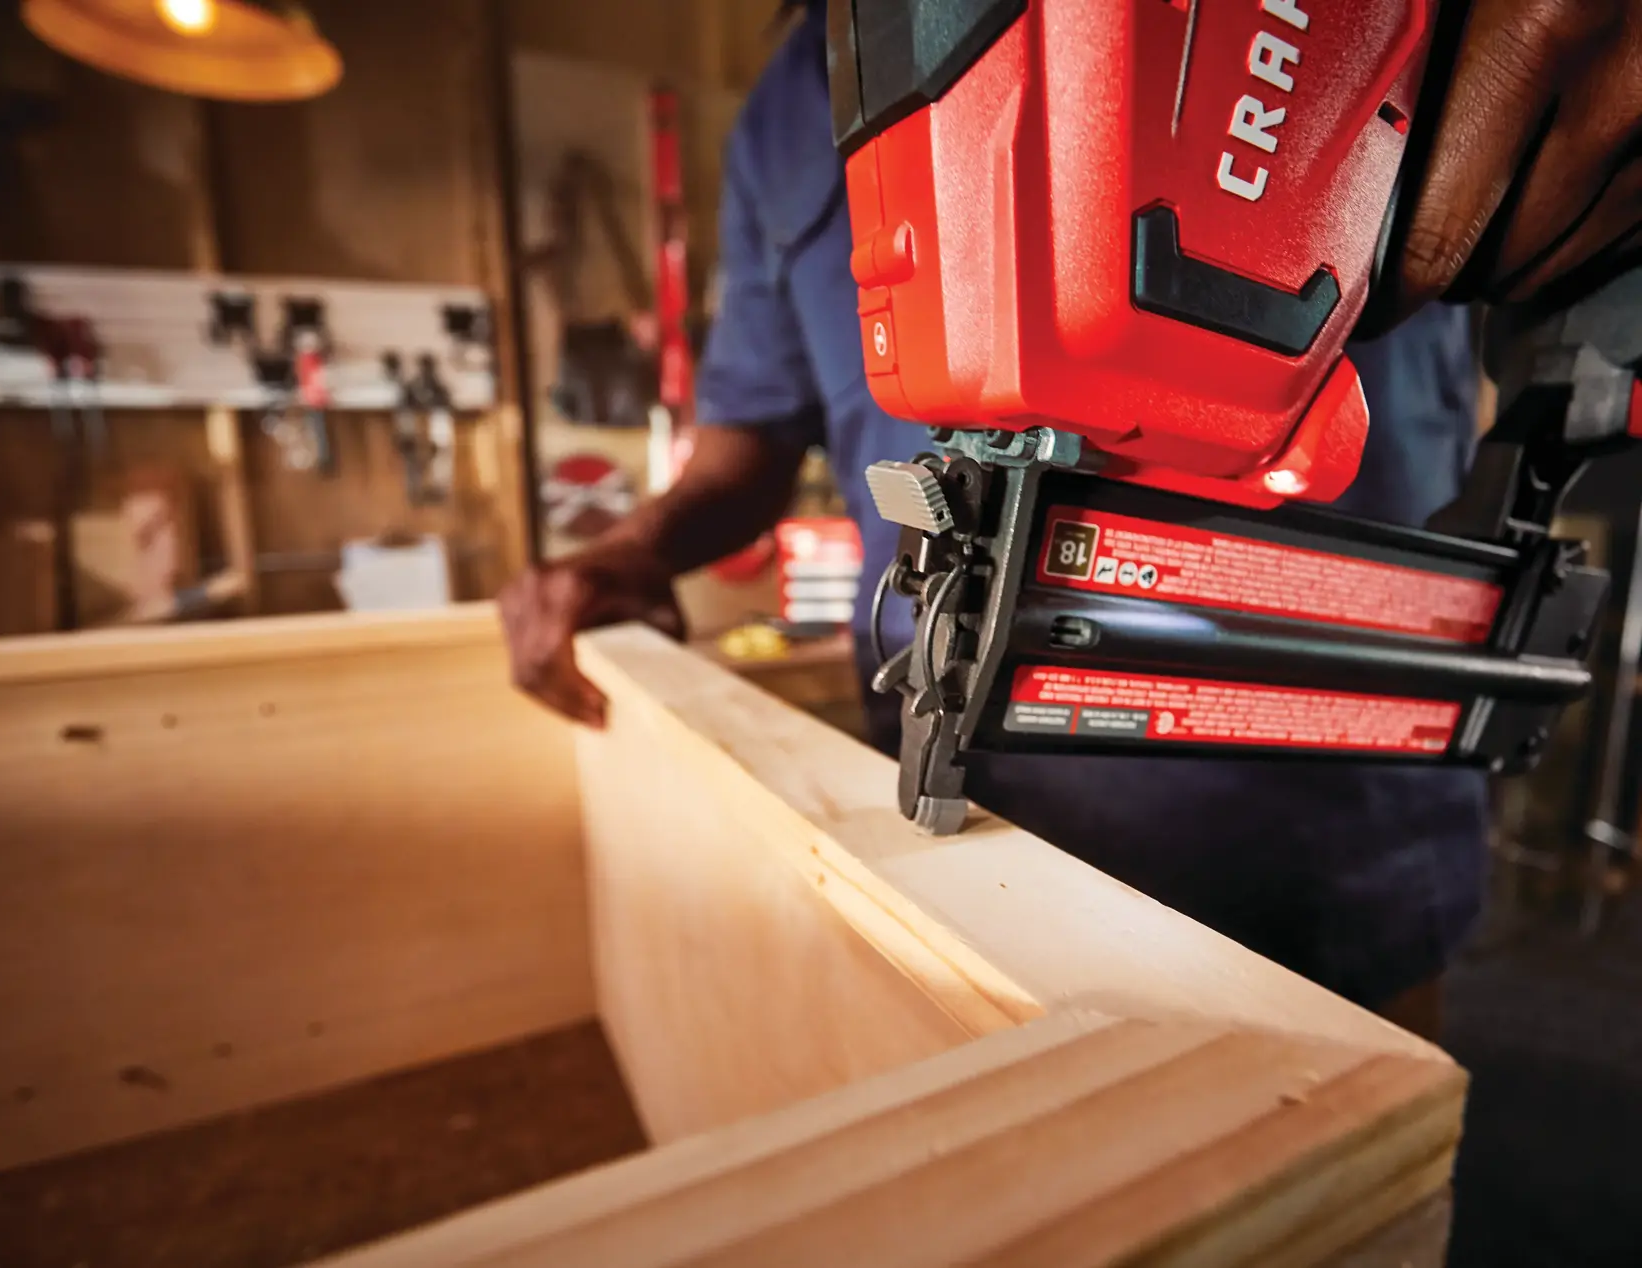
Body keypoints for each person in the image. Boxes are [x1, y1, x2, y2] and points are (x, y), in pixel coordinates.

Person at [499, 0, 1642, 1038]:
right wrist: (633, 547)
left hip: (1335, 794)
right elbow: (746, 440)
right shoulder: (790, 100)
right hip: (970, 815)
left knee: (1356, 1141)